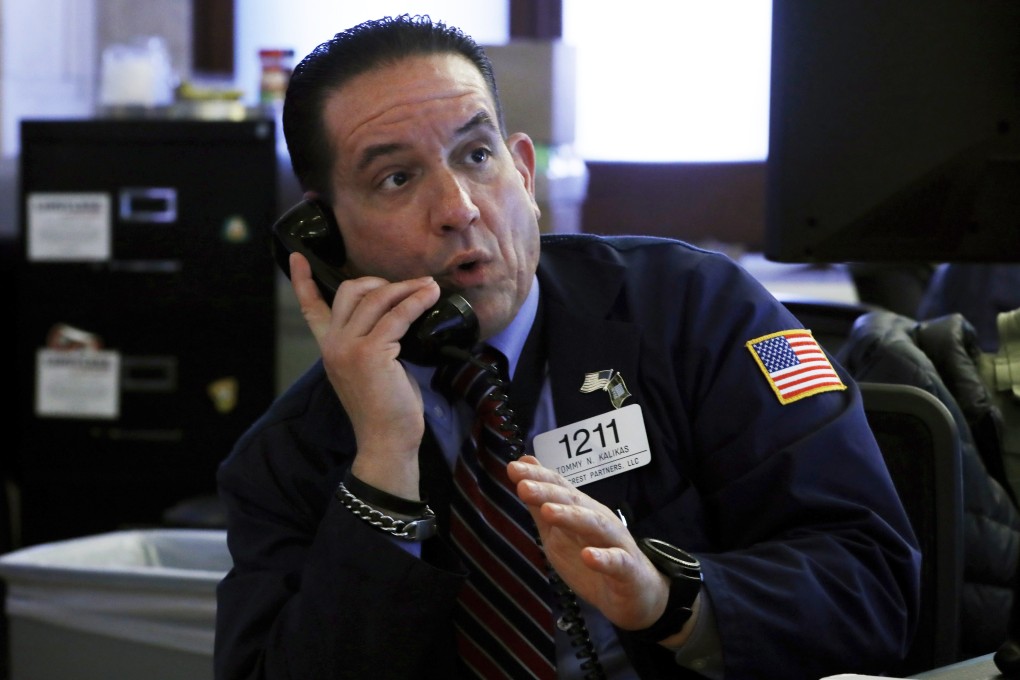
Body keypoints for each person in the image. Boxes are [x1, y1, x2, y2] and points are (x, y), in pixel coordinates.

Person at [214, 14, 920, 680]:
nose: (459, 208)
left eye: (477, 154)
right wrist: (383, 466)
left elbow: (873, 584)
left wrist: (670, 600)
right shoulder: (286, 457)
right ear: (326, 238)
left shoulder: (696, 310)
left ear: (524, 172)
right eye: (397, 178)